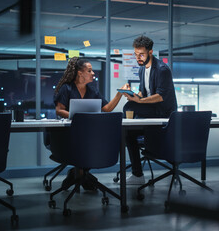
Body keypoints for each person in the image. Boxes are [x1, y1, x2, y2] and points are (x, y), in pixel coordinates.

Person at [53, 57, 128, 190]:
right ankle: (81, 174)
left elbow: (107, 109)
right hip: (70, 133)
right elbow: (59, 110)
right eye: (89, 70)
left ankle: (79, 173)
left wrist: (120, 94)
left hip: (88, 134)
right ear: (80, 73)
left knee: (97, 144)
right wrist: (77, 117)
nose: (93, 73)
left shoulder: (92, 90)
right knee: (85, 145)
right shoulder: (67, 88)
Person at [121, 35, 177, 185]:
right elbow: (142, 93)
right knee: (128, 134)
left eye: (141, 54)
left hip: (163, 113)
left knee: (129, 107)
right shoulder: (141, 69)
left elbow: (160, 96)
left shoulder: (162, 69)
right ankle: (138, 175)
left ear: (150, 52)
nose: (138, 57)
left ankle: (130, 125)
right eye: (136, 54)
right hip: (150, 110)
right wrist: (134, 95)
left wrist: (138, 101)